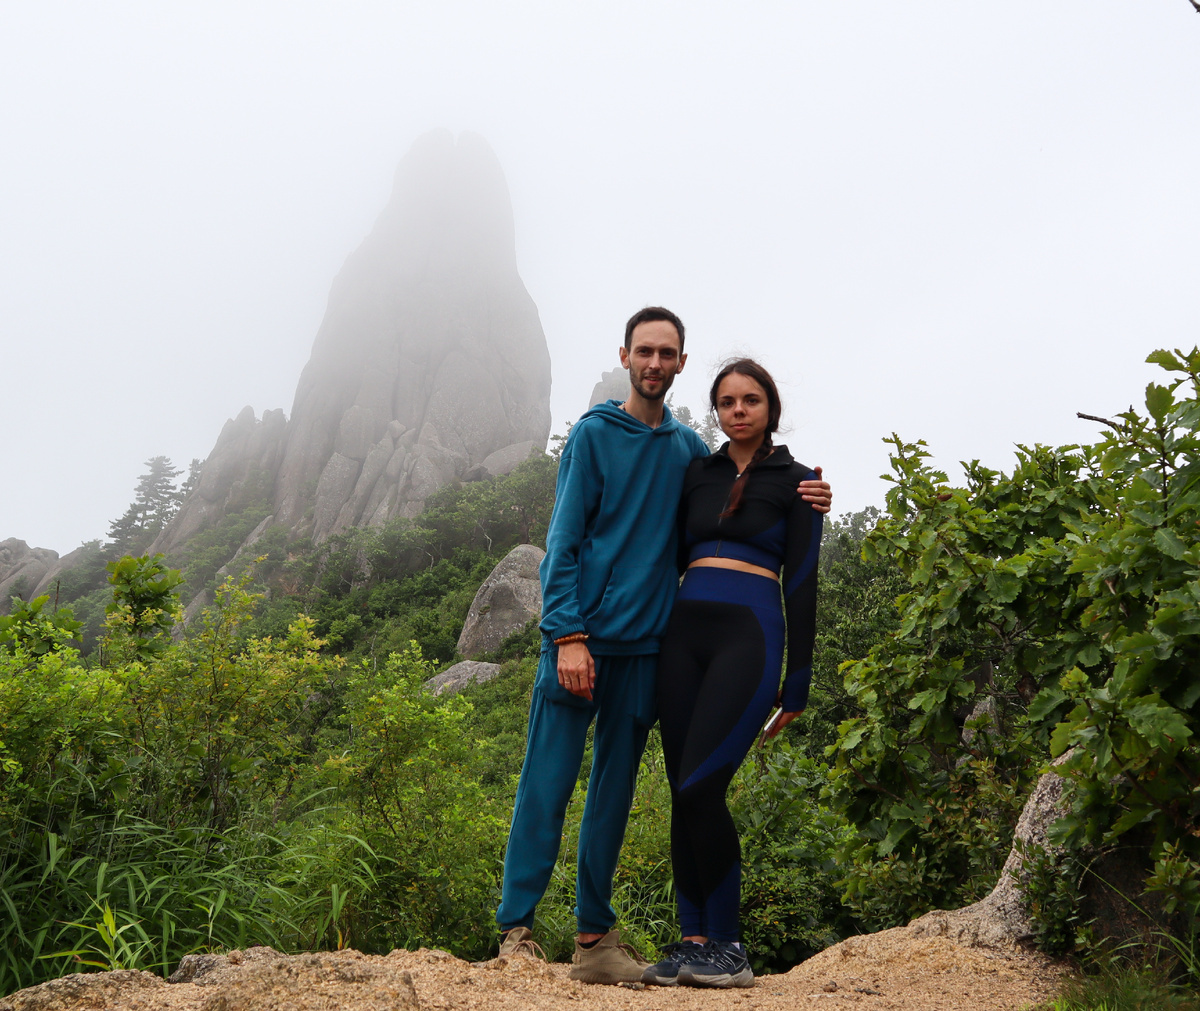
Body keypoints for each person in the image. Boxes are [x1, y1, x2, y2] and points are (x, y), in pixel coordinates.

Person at [495, 311, 832, 985]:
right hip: (581, 642)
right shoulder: (594, 436)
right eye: (643, 350)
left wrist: (811, 497)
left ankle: (595, 939)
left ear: (681, 363)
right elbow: (564, 542)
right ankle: (517, 929)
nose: (654, 361)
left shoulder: (687, 453)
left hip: (649, 647)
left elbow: (737, 518)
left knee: (615, 793)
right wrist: (567, 632)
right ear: (626, 355)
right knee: (549, 784)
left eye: (667, 352)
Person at [643, 358, 821, 989]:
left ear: (770, 407)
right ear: (716, 411)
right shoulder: (698, 473)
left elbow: (801, 584)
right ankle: (694, 941)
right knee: (681, 794)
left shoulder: (800, 482)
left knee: (701, 788)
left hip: (748, 640)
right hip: (681, 641)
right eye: (726, 401)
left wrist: (796, 680)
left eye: (750, 400)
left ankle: (729, 947)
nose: (738, 410)